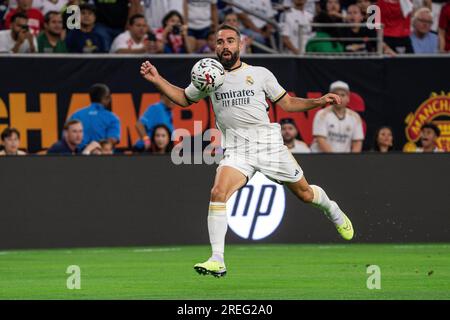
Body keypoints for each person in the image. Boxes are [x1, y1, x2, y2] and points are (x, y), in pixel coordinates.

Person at [140, 23, 355, 278]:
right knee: (218, 192)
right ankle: (217, 259)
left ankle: (332, 209)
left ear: (240, 45)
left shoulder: (260, 73)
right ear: (215, 47)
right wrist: (157, 79)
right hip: (236, 149)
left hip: (268, 144)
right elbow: (184, 98)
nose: (225, 46)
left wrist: (318, 101)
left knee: (306, 195)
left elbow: (287, 103)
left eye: (230, 41)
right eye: (220, 42)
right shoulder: (210, 77)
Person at [310, 80, 364, 153]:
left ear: (348, 98)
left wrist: (352, 160)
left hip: (344, 160)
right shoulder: (321, 114)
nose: (339, 97)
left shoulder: (355, 117)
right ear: (330, 98)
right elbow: (321, 140)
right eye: (336, 94)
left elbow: (357, 142)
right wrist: (335, 159)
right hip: (322, 158)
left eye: (343, 95)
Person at [69, 83, 121, 148]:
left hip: (79, 156)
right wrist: (96, 148)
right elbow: (113, 139)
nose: (109, 99)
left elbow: (67, 136)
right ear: (104, 98)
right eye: (108, 96)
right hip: (102, 156)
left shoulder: (76, 115)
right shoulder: (112, 118)